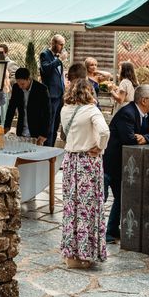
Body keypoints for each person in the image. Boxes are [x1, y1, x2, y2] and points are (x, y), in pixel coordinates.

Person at [60, 79, 110, 268]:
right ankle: (85, 254)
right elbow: (104, 131)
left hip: (70, 161)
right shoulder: (91, 110)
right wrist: (100, 147)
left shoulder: (65, 110)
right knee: (87, 209)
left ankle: (70, 255)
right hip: (87, 162)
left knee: (71, 208)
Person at [103, 84, 149, 243]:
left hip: (124, 165)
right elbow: (129, 138)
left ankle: (111, 231)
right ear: (144, 100)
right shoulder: (127, 113)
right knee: (103, 198)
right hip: (110, 163)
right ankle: (99, 233)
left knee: (121, 198)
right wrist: (141, 137)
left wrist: (145, 138)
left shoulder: (147, 114)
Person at [3, 67, 51, 146]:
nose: (20, 87)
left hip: (36, 131)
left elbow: (47, 113)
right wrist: (7, 126)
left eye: (22, 84)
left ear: (29, 79)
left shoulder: (41, 89)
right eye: (18, 84)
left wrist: (44, 134)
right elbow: (11, 108)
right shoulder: (16, 88)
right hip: (21, 131)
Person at [39, 34, 67, 146]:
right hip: (50, 95)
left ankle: (52, 147)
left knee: (56, 124)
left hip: (60, 95)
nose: (62, 47)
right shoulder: (44, 54)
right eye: (61, 44)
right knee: (49, 124)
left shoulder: (58, 57)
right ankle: (47, 147)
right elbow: (46, 69)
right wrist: (59, 60)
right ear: (54, 43)